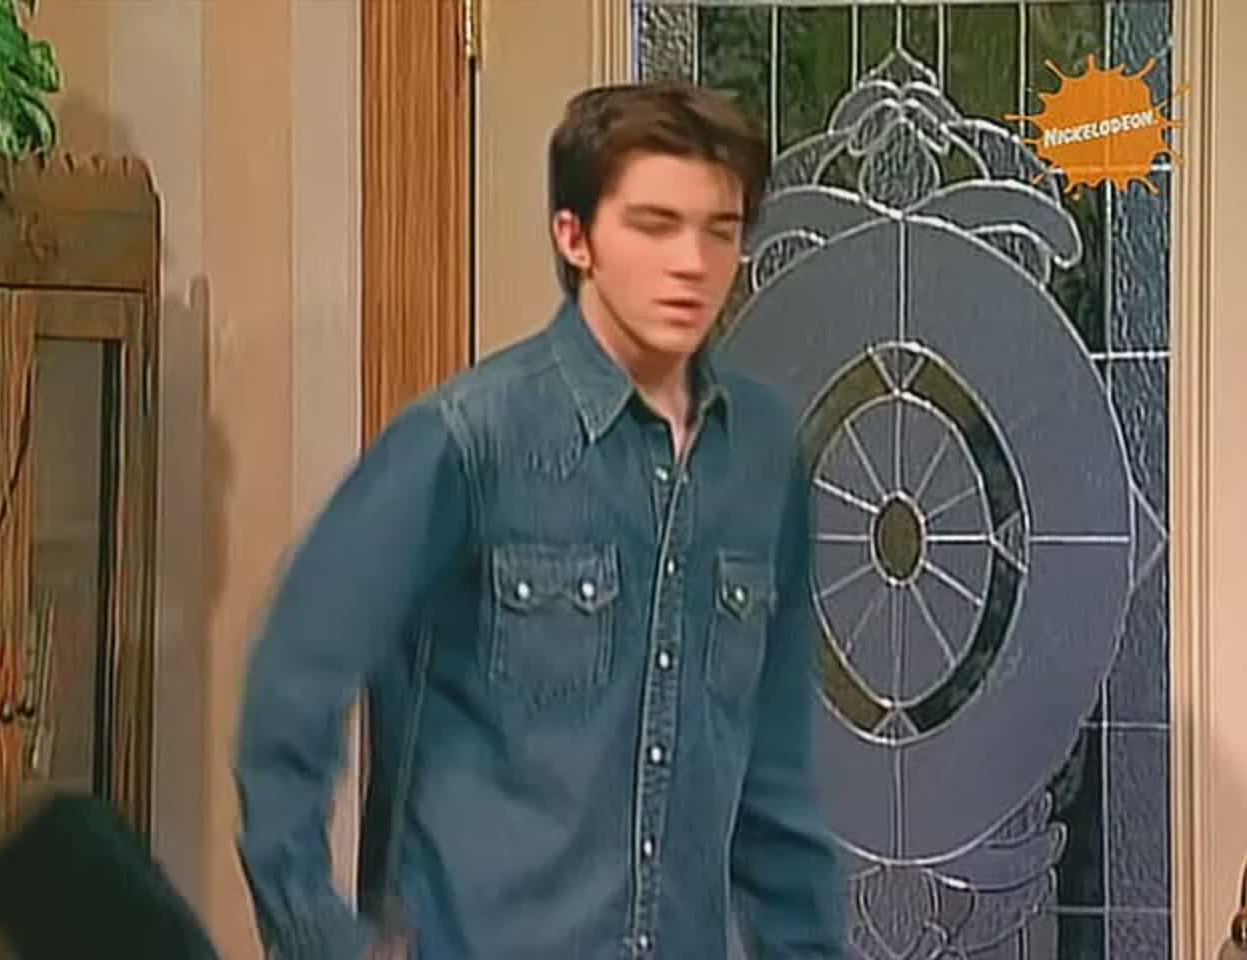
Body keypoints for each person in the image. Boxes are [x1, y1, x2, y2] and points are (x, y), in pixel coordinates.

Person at [234, 81, 845, 959]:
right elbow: (293, 682)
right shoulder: (466, 439)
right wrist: (320, 937)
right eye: (655, 225)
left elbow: (779, 784)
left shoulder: (762, 458)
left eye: (720, 230)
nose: (692, 263)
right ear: (575, 236)